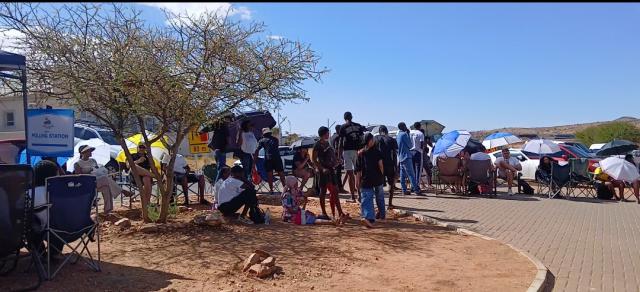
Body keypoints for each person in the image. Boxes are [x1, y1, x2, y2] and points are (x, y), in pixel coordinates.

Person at [73, 145, 133, 213]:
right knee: (105, 179)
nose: (90, 152)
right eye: (88, 151)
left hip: (97, 180)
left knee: (106, 188)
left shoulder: (93, 160)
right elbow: (79, 176)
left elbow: (97, 170)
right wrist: (89, 172)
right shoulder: (78, 164)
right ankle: (122, 191)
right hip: (87, 183)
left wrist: (100, 170)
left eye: (90, 151)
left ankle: (108, 210)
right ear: (83, 153)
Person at [313, 126, 347, 223]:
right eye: (327, 133)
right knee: (323, 192)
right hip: (323, 172)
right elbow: (314, 160)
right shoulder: (317, 145)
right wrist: (322, 169)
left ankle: (340, 213)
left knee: (335, 191)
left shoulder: (327, 143)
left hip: (330, 170)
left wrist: (337, 161)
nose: (328, 135)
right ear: (323, 134)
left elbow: (331, 155)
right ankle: (324, 213)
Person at [356, 133, 385, 228]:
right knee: (379, 197)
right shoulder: (377, 152)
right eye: (372, 139)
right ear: (370, 141)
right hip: (377, 178)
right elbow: (381, 165)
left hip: (366, 179)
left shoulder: (360, 153)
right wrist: (382, 175)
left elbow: (358, 170)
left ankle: (369, 217)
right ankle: (382, 215)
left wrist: (358, 181)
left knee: (367, 198)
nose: (373, 141)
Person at [337, 111, 366, 203]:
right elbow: (363, 138)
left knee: (350, 174)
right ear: (352, 117)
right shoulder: (358, 126)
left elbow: (341, 142)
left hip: (347, 151)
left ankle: (353, 196)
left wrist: (339, 156)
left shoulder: (343, 127)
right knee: (358, 174)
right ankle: (360, 195)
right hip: (358, 151)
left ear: (344, 118)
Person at [254, 128, 286, 195]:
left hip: (268, 159)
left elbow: (257, 150)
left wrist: (255, 159)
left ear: (263, 134)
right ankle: (285, 189)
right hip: (277, 158)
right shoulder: (275, 139)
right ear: (270, 133)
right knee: (281, 174)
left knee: (269, 175)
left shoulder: (262, 140)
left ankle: (271, 190)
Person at [201, 114, 232, 181]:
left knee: (220, 167)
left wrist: (202, 131)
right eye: (229, 120)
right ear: (226, 120)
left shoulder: (218, 125)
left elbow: (209, 128)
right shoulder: (224, 127)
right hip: (221, 150)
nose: (229, 122)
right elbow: (228, 139)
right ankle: (217, 184)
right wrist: (229, 146)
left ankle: (218, 184)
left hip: (217, 150)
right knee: (221, 168)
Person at [374, 125, 398, 209]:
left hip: (379, 165)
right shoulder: (391, 140)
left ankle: (379, 205)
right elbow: (394, 154)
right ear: (387, 131)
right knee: (391, 184)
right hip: (389, 164)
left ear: (379, 131)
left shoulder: (375, 139)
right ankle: (390, 203)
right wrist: (396, 167)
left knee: (378, 185)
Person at [397, 122, 421, 195]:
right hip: (407, 156)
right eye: (405, 126)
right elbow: (410, 145)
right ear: (402, 127)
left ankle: (404, 190)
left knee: (402, 175)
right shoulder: (404, 134)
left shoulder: (398, 135)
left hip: (401, 157)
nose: (406, 127)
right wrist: (407, 134)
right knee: (411, 174)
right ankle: (416, 190)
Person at [330, 124, 347, 193]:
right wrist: (340, 157)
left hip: (331, 157)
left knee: (335, 173)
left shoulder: (331, 137)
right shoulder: (338, 137)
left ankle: (336, 188)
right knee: (338, 173)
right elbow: (337, 148)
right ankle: (340, 188)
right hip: (337, 156)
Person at [409, 122, 425, 188]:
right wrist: (422, 150)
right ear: (420, 126)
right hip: (418, 152)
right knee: (418, 170)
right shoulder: (420, 133)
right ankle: (417, 186)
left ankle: (412, 186)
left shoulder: (410, 132)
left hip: (410, 152)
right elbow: (421, 144)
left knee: (412, 170)